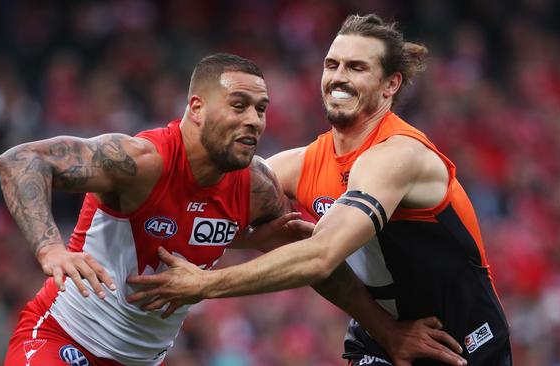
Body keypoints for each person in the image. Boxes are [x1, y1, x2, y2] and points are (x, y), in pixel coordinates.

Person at [0, 53, 465, 366]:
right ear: (196, 108)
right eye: (238, 105)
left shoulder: (254, 188)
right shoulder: (141, 161)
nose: (253, 121)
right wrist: (49, 249)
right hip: (61, 340)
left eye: (260, 109)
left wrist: (387, 331)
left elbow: (311, 258)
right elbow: (22, 160)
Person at [127, 15, 512, 366]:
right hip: (381, 334)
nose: (338, 77)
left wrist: (206, 284)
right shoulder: (302, 164)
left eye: (356, 67)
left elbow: (321, 256)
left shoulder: (399, 156)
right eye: (332, 65)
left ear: (391, 83)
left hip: (460, 338)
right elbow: (209, 209)